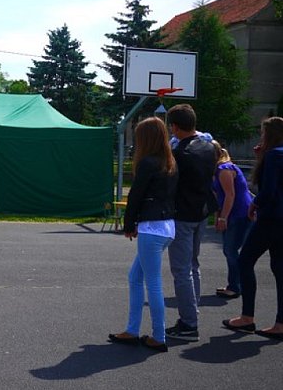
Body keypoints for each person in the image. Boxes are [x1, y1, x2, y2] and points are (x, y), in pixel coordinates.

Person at [108, 117, 178, 352]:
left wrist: (129, 224)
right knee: (135, 277)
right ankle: (132, 330)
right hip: (167, 225)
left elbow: (136, 195)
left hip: (152, 227)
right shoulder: (170, 162)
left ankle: (158, 336)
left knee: (152, 282)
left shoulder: (148, 163)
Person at [223, 116, 283, 340]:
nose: (261, 137)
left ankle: (247, 316)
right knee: (279, 268)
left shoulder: (274, 155)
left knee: (244, 261)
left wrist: (254, 204)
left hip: (271, 218)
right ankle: (280, 322)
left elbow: (268, 190)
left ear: (271, 134)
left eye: (263, 133)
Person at [165, 104, 216, 342]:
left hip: (183, 215)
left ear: (175, 127)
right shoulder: (209, 147)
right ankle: (191, 314)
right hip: (201, 212)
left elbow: (169, 183)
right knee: (193, 265)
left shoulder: (180, 153)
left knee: (181, 270)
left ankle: (188, 323)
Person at [211, 141, 253, 299]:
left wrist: (223, 218)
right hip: (233, 213)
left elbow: (230, 195)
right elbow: (219, 197)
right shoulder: (218, 170)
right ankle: (235, 284)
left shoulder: (224, 169)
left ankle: (235, 286)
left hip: (239, 214)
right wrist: (218, 216)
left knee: (231, 250)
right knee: (230, 250)